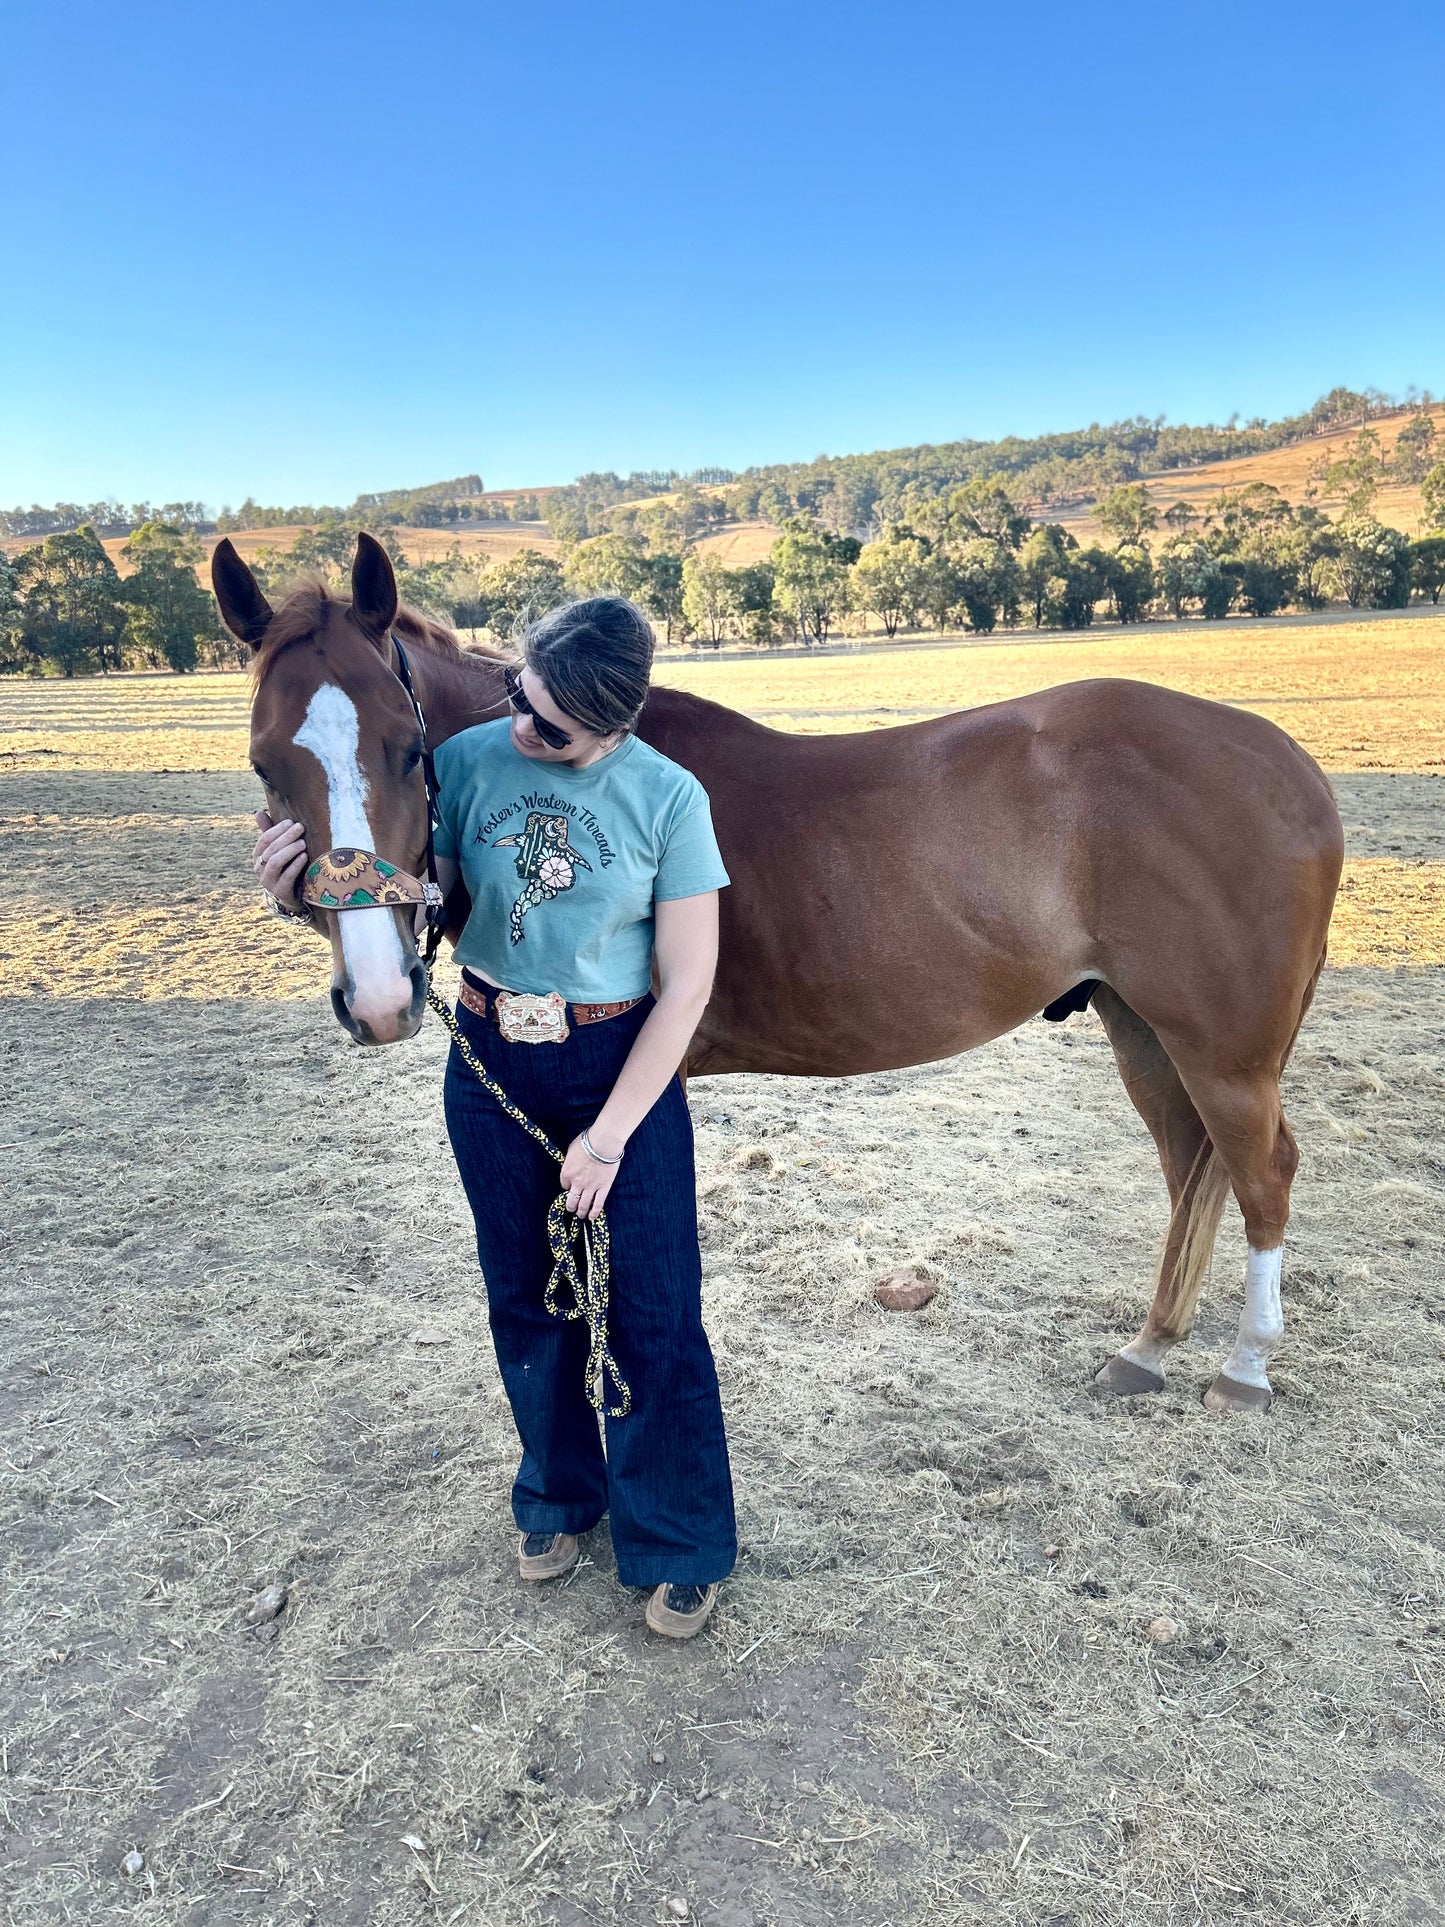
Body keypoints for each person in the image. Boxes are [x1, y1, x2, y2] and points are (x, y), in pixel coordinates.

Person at [252, 597, 736, 1639]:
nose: (523, 728)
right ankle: (557, 1496)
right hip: (489, 1057)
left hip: (620, 1060)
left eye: (552, 726)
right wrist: (299, 896)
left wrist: (608, 1136)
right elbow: (412, 892)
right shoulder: (466, 761)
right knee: (524, 1298)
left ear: (615, 726)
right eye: (520, 698)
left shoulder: (668, 798)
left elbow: (687, 986)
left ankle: (680, 1537)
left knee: (651, 1309)